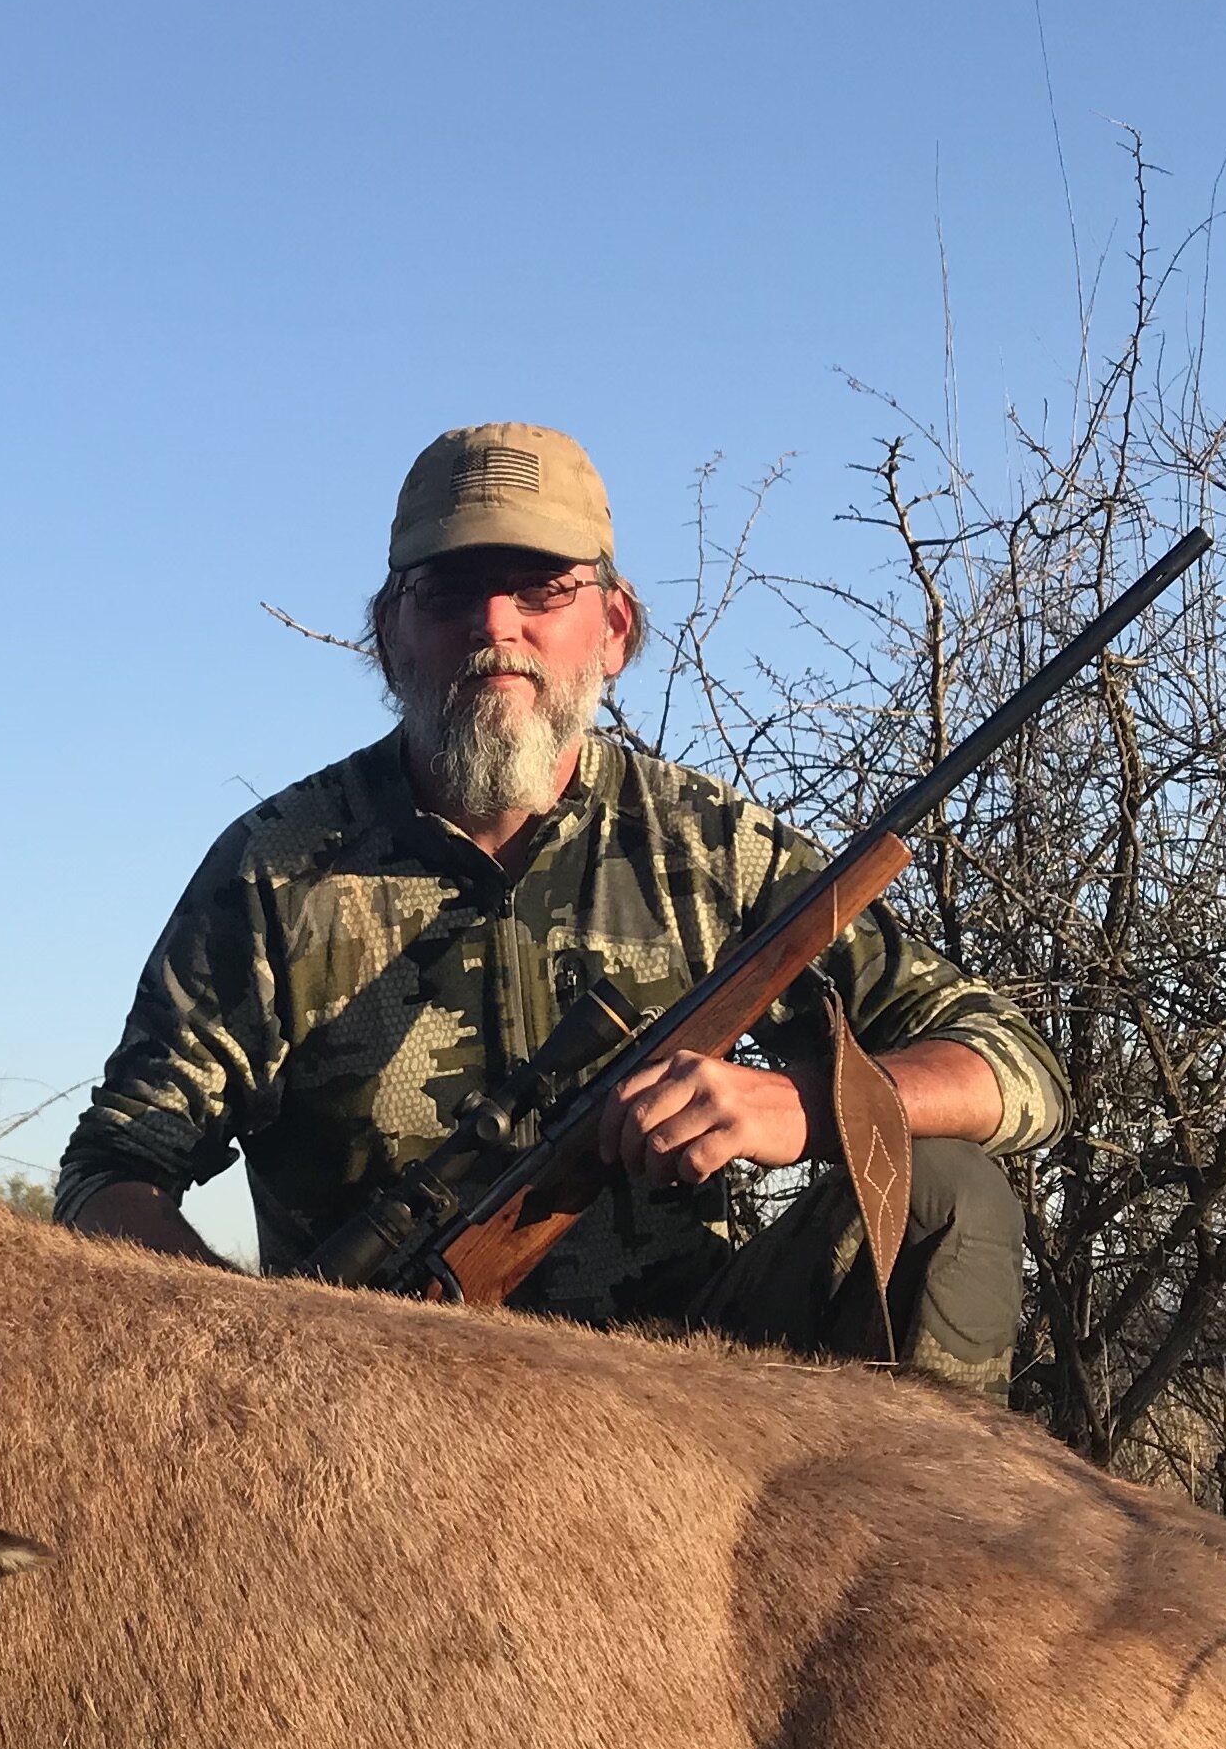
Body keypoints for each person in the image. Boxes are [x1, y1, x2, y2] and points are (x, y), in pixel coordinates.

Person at [55, 422, 1067, 1392]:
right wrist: (262, 1356)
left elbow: (1012, 1068)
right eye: (449, 588)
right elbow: (113, 1170)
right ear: (389, 632)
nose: (496, 625)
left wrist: (797, 1104)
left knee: (945, 1191)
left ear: (614, 627)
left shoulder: (716, 851)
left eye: (542, 585)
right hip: (376, 1408)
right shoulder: (274, 873)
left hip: (694, 1397)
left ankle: (919, 1562)